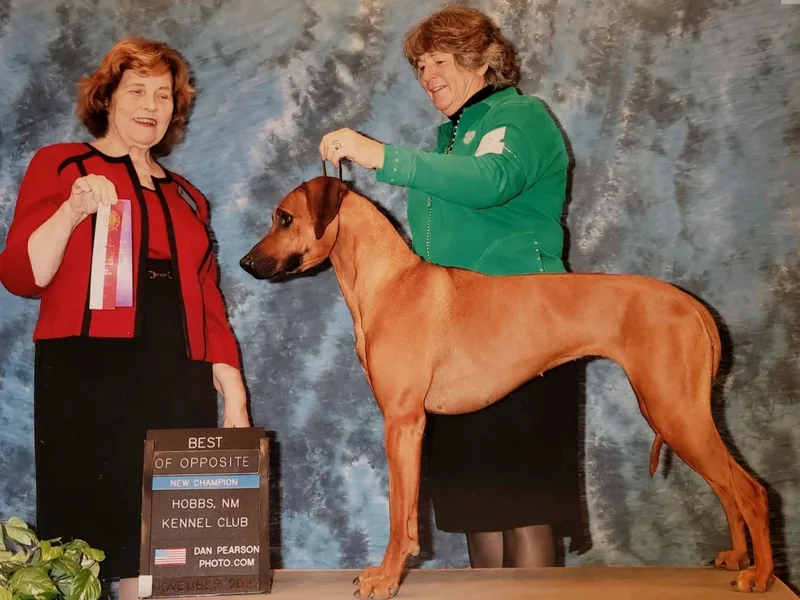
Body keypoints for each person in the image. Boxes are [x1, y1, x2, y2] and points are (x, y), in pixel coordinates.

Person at [319, 6, 584, 568]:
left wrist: (380, 156)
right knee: (477, 511)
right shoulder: (450, 139)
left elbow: (491, 181)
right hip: (452, 338)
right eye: (419, 66)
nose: (427, 76)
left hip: (523, 325)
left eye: (438, 60)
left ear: (479, 59)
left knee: (525, 506)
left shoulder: (521, 116)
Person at [0, 37, 250, 598]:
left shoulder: (188, 196)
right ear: (107, 98)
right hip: (86, 361)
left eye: (164, 94)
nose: (152, 104)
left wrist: (231, 385)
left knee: (170, 538)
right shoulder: (62, 164)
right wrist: (71, 211)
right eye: (137, 89)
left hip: (176, 366)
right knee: (85, 534)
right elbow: (22, 275)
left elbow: (206, 293)